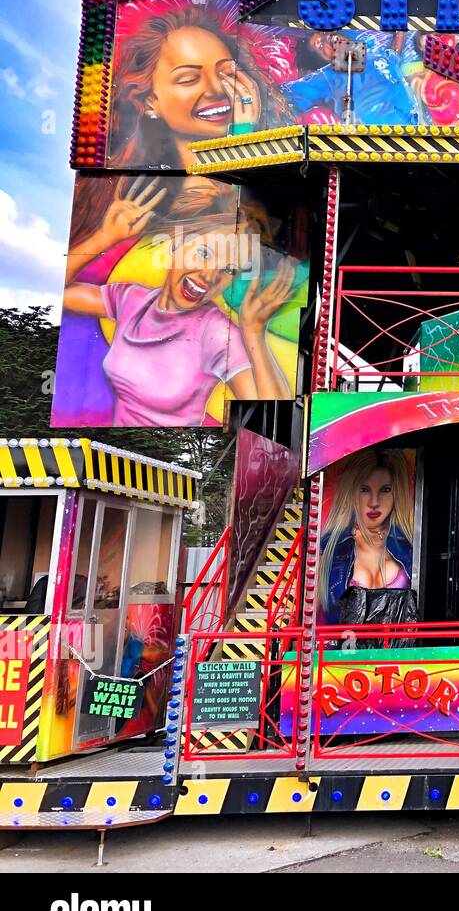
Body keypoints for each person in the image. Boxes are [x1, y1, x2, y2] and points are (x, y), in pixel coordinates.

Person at [62, 177, 298, 426]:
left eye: (229, 269)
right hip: (124, 450)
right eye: (204, 253)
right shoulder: (131, 299)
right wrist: (104, 237)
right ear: (176, 245)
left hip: (182, 456)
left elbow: (276, 420)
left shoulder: (216, 332)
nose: (210, 276)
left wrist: (254, 335)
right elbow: (63, 294)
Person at [109, 4, 293, 169]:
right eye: (189, 78)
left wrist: (244, 133)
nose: (216, 89)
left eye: (227, 73)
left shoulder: (285, 156)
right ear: (150, 102)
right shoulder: (132, 187)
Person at [320, 449, 416, 625]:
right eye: (365, 490)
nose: (374, 502)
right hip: (343, 648)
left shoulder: (410, 547)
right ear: (351, 493)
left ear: (397, 493)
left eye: (385, 490)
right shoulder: (329, 547)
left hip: (397, 650)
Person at [284, 31, 417, 125]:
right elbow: (286, 93)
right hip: (380, 142)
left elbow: (393, 54)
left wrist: (400, 28)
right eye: (319, 45)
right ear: (321, 61)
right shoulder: (327, 76)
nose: (326, 37)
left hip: (411, 132)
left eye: (323, 33)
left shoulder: (372, 54)